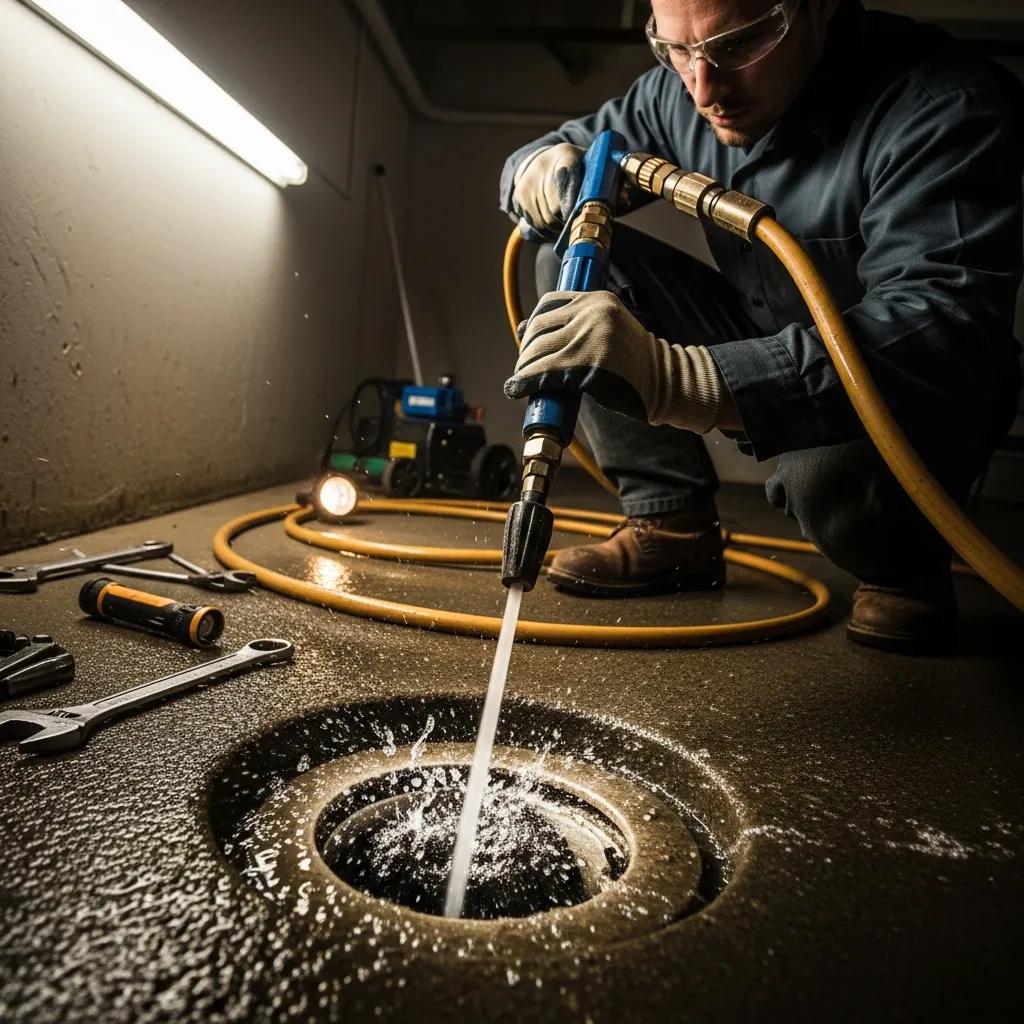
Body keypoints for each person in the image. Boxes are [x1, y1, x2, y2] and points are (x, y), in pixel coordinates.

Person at [499, 0, 1024, 654]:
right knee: (569, 259)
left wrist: (681, 378)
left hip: (907, 386)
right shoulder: (680, 90)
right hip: (766, 326)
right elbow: (567, 149)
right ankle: (673, 528)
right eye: (676, 50)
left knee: (821, 479)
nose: (703, 90)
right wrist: (535, 168)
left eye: (738, 45)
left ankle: (903, 567)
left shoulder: (942, 105)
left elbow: (938, 324)